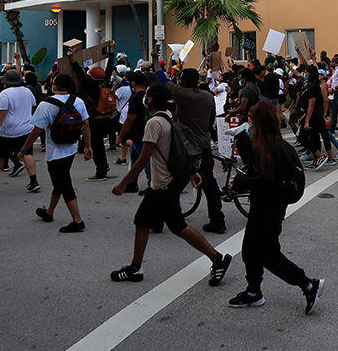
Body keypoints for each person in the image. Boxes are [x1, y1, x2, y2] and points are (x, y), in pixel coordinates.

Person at [109, 83, 233, 284]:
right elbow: (180, 146)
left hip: (164, 183)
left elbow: (143, 158)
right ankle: (135, 267)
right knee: (141, 221)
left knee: (178, 227)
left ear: (149, 100)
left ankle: (217, 258)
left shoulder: (154, 123)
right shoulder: (170, 115)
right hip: (171, 179)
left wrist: (124, 183)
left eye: (146, 96)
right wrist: (192, 172)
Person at [228, 100, 324, 313]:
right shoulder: (274, 143)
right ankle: (254, 292)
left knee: (268, 255)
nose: (248, 124)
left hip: (268, 208)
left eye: (251, 121)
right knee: (249, 250)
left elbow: (265, 179)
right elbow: (256, 168)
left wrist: (240, 182)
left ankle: (308, 285)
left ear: (259, 123)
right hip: (267, 205)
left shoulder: (268, 147)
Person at [22, 74, 93, 232]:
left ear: (54, 86)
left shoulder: (46, 105)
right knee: (60, 181)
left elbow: (36, 130)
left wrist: (24, 148)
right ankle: (49, 212)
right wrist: (88, 146)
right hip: (71, 148)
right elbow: (86, 123)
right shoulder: (78, 101)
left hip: (54, 151)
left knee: (64, 183)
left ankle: (77, 221)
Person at [167, 68, 228, 235]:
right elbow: (210, 120)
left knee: (176, 181)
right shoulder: (208, 96)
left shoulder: (181, 94)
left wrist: (155, 57)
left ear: (183, 81)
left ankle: (170, 216)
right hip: (204, 144)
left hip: (186, 146)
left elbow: (161, 78)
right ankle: (217, 219)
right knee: (209, 183)